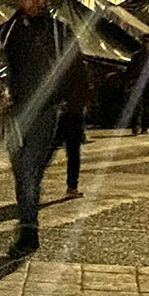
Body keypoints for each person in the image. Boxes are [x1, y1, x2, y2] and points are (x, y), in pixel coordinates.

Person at [0, 0, 81, 255]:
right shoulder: (6, 32)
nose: (35, 0)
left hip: (46, 112)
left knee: (28, 169)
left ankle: (29, 232)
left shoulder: (59, 32)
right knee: (23, 172)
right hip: (14, 114)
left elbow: (76, 68)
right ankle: (28, 221)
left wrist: (68, 102)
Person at [56, 54, 97, 198]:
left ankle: (32, 183)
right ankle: (72, 186)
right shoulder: (82, 68)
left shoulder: (60, 67)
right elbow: (88, 90)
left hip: (62, 112)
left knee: (51, 149)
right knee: (73, 152)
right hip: (74, 114)